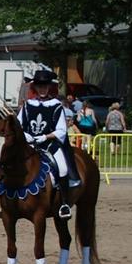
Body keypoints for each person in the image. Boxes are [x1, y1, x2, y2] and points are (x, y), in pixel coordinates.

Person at [18, 69, 79, 219]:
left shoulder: (56, 105)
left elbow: (61, 130)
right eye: (39, 86)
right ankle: (8, 201)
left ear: (49, 87)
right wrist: (27, 136)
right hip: (30, 145)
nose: (42, 89)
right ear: (35, 88)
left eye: (45, 86)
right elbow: (18, 126)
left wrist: (45, 137)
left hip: (49, 145)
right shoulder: (27, 105)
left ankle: (64, 203)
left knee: (63, 168)